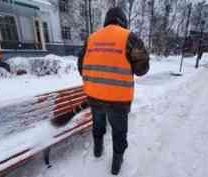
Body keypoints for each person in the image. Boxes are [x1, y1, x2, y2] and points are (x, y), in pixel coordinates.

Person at [78, 7, 150, 175]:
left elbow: (81, 66)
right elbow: (142, 69)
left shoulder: (91, 39)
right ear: (123, 21)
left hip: (95, 97)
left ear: (106, 21)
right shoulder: (130, 38)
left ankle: (97, 149)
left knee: (98, 123)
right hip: (118, 100)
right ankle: (116, 163)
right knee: (119, 131)